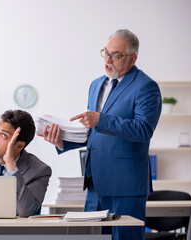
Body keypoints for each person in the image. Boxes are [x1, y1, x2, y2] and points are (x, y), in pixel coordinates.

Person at [39, 29, 162, 240]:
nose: (108, 59)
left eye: (116, 55)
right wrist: (62, 142)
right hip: (95, 183)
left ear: (133, 58)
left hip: (126, 185)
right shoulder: (97, 84)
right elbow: (93, 132)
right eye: (106, 52)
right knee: (92, 238)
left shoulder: (146, 87)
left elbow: (143, 129)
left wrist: (101, 119)